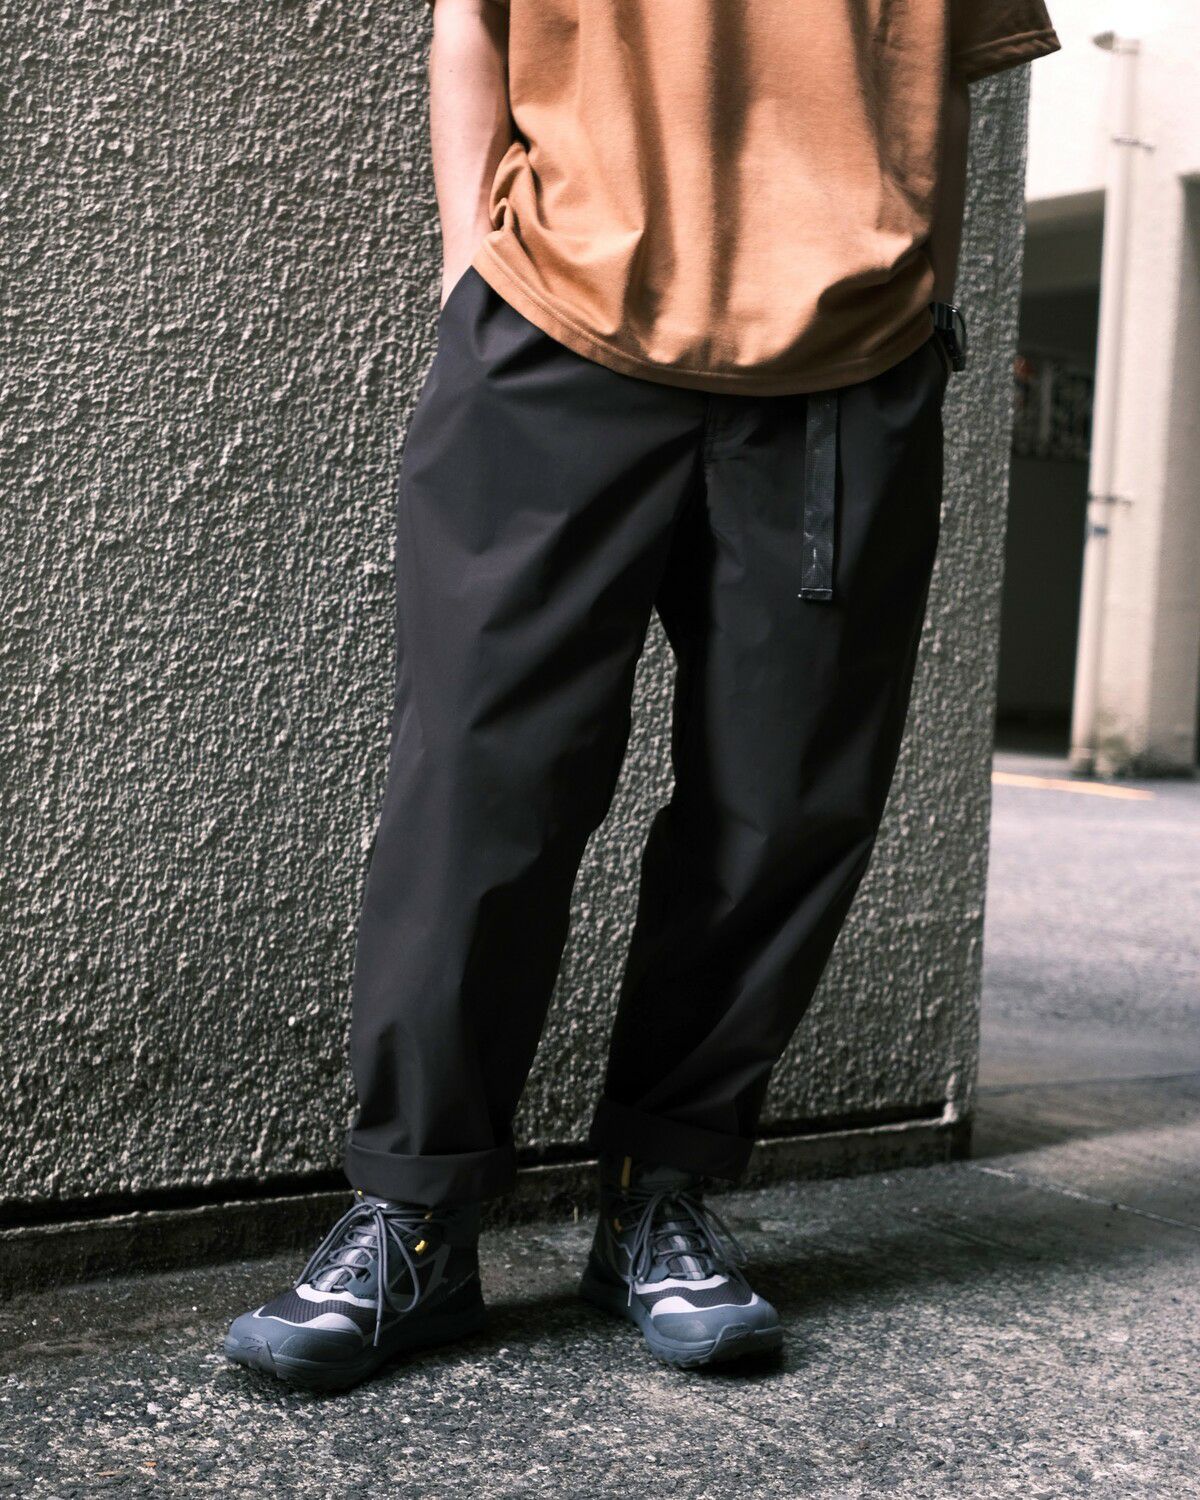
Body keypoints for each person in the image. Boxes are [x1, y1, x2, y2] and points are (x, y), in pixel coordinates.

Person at [226, 0, 1060, 1389]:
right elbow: (469, 27)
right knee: (482, 784)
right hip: (553, 325)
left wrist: (918, 309)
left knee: (786, 804)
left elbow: (951, 74)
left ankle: (657, 1197)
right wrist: (467, 276)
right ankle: (417, 1218)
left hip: (846, 365)